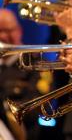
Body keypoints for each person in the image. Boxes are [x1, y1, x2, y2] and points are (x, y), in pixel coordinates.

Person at [0, 9, 41, 140]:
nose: (2, 36)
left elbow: (40, 101)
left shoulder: (35, 62)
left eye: (8, 30)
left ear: (19, 31)